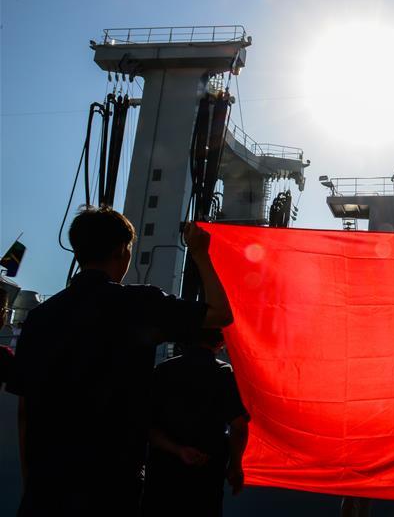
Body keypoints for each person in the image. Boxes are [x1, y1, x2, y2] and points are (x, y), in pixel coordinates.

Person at [8, 207, 233, 516]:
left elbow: (25, 411)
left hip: (47, 485)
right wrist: (200, 253)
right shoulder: (138, 303)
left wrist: (31, 483)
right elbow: (221, 315)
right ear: (122, 251)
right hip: (111, 484)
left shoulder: (38, 318)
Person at [142, 328, 249, 517]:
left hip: (163, 475)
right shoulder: (222, 372)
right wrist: (235, 466)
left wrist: (178, 450)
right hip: (205, 473)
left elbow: (148, 427)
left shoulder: (162, 371)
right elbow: (239, 427)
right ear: (220, 343)